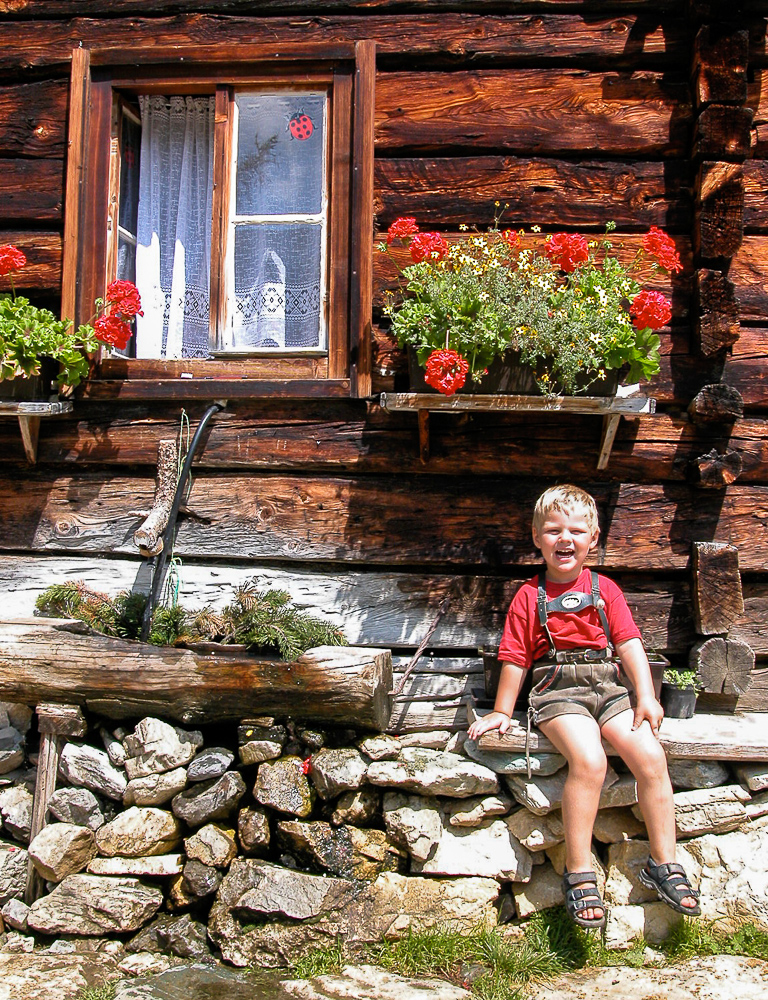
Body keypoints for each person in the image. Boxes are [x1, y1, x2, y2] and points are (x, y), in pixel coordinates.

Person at [467, 484, 700, 929]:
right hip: (557, 691)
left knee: (651, 757)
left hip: (609, 688)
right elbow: (515, 657)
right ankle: (579, 871)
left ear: (593, 537)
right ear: (537, 537)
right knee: (590, 760)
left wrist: (646, 696)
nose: (565, 539)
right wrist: (501, 711)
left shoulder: (603, 588)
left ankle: (664, 862)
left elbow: (629, 643)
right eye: (553, 530)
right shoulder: (528, 596)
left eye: (576, 530)